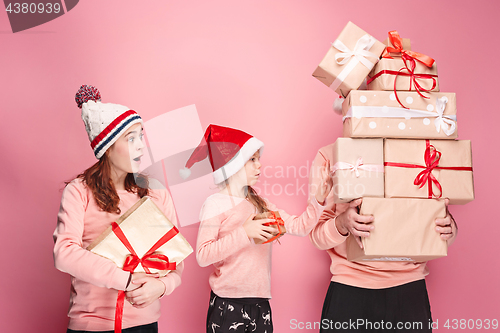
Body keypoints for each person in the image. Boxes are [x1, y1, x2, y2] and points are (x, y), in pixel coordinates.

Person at [53, 85, 184, 333]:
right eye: (131, 138)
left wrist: (164, 286)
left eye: (141, 136)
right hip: (91, 325)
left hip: (145, 323)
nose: (141, 146)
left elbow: (174, 257)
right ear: (108, 147)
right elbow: (64, 252)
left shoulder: (156, 192)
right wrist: (125, 279)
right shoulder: (79, 191)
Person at [180, 124, 331, 333]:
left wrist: (319, 199)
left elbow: (300, 226)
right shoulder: (215, 204)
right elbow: (203, 255)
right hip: (227, 305)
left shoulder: (262, 204)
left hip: (260, 305)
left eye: (258, 159)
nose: (259, 165)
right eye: (252, 159)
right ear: (233, 164)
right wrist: (245, 232)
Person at [308, 143, 458, 333]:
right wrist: (342, 223)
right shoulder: (331, 155)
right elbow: (316, 235)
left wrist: (450, 229)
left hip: (409, 291)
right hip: (349, 290)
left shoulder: (423, 151)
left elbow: (437, 227)